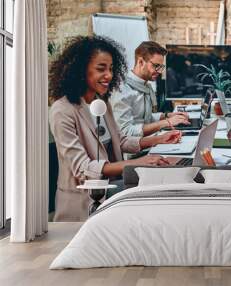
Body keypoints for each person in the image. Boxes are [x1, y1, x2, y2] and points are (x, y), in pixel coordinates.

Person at [49, 36, 181, 222]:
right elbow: (83, 169)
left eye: (111, 69)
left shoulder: (101, 102)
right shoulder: (63, 111)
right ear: (80, 70)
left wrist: (158, 139)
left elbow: (121, 142)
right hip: (85, 201)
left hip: (112, 187)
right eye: (101, 69)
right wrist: (139, 162)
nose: (109, 75)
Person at [111, 41, 190, 137]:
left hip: (151, 141)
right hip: (134, 150)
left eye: (161, 67)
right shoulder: (122, 89)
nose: (159, 71)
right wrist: (167, 122)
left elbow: (146, 118)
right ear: (141, 62)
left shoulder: (146, 85)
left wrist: (167, 116)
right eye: (156, 66)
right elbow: (125, 132)